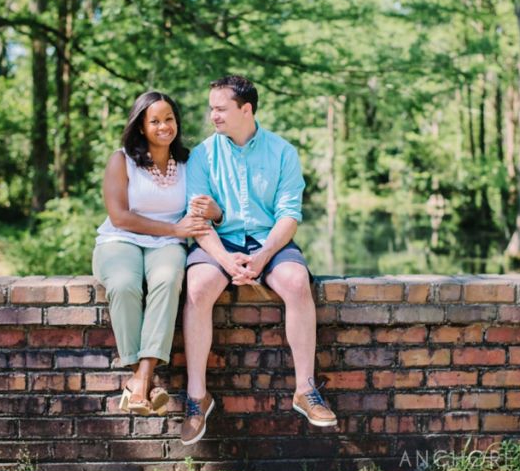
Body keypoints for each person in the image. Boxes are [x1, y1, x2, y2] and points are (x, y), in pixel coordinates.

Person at [181, 75, 337, 445]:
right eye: (211, 108)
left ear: (245, 109)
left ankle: (305, 389)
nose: (212, 115)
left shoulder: (283, 153)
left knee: (298, 283)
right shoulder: (201, 155)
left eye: (220, 108)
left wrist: (264, 255)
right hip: (220, 242)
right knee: (199, 287)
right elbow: (199, 221)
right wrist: (226, 260)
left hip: (271, 242)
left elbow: (289, 216)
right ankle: (196, 397)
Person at [92, 91, 222, 416]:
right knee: (123, 285)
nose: (164, 126)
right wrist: (176, 229)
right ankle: (145, 379)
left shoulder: (189, 163)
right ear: (140, 126)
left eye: (169, 119)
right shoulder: (121, 160)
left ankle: (140, 380)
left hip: (166, 247)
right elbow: (120, 216)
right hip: (120, 239)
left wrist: (212, 213)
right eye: (155, 120)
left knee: (166, 281)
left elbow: (207, 206)